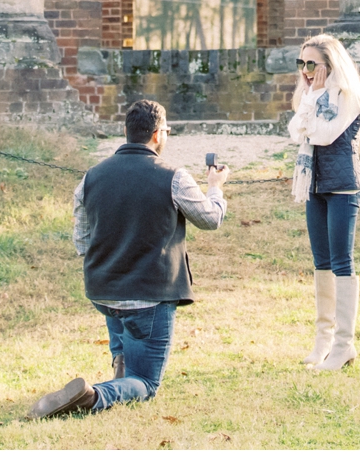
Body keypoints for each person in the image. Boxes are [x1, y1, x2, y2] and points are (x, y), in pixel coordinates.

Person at [27, 99, 230, 418]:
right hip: (150, 293)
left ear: (126, 132)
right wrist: (215, 188)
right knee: (146, 383)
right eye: (166, 131)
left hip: (103, 290)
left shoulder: (90, 178)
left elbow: (81, 242)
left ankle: (120, 365)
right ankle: (94, 395)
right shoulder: (173, 177)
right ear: (158, 134)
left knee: (122, 315)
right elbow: (210, 219)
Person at [287, 33, 360, 371]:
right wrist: (311, 97)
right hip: (316, 184)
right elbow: (297, 131)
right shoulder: (308, 94)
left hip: (343, 186)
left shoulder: (348, 97)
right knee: (321, 261)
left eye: (312, 64)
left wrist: (317, 97)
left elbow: (322, 134)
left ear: (330, 65)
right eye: (301, 63)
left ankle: (343, 344)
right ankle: (324, 338)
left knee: (341, 262)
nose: (306, 71)